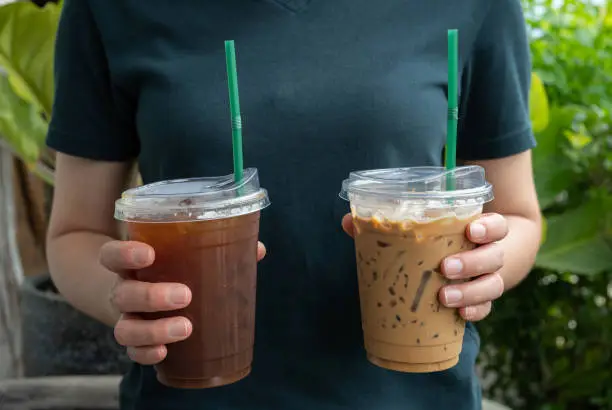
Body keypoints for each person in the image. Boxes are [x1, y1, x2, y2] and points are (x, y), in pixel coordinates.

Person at [45, 0, 542, 409]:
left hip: (415, 394)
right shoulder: (108, 9)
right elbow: (73, 233)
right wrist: (125, 297)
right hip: (192, 395)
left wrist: (480, 263)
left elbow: (518, 216)